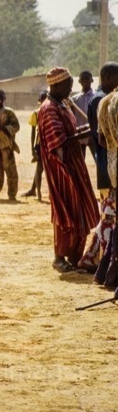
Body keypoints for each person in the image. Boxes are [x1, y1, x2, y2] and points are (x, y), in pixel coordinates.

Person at [38, 67, 99, 273]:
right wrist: (86, 133)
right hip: (61, 169)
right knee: (65, 212)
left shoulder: (62, 104)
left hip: (74, 165)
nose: (70, 89)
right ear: (55, 85)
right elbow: (58, 141)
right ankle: (59, 257)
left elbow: (70, 132)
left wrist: (86, 130)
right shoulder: (49, 109)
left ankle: (75, 257)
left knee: (80, 209)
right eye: (67, 85)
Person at [87, 63, 118, 279]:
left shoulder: (103, 99)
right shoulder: (105, 100)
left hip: (109, 165)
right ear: (106, 77)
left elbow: (99, 138)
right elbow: (100, 140)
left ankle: (102, 265)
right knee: (109, 218)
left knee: (109, 218)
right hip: (108, 166)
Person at [21, 91, 48, 201]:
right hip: (40, 144)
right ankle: (39, 194)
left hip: (50, 143)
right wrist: (32, 148)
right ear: (39, 100)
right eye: (42, 99)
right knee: (40, 168)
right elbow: (33, 132)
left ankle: (36, 191)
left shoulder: (51, 112)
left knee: (47, 169)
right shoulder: (36, 113)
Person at [72, 70, 96, 160]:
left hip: (93, 134)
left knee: (98, 160)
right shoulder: (74, 99)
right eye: (83, 78)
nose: (85, 80)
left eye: (87, 78)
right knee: (80, 161)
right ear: (79, 81)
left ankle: (101, 174)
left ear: (92, 80)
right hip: (80, 135)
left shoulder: (96, 97)